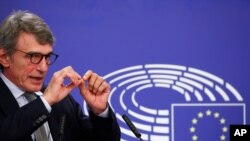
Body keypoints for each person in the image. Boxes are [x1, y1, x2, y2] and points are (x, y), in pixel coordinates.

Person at [0, 10, 121, 141]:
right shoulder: (50, 99)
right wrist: (45, 101)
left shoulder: (62, 102)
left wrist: (100, 112)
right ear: (4, 57)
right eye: (33, 56)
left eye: (47, 57)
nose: (43, 68)